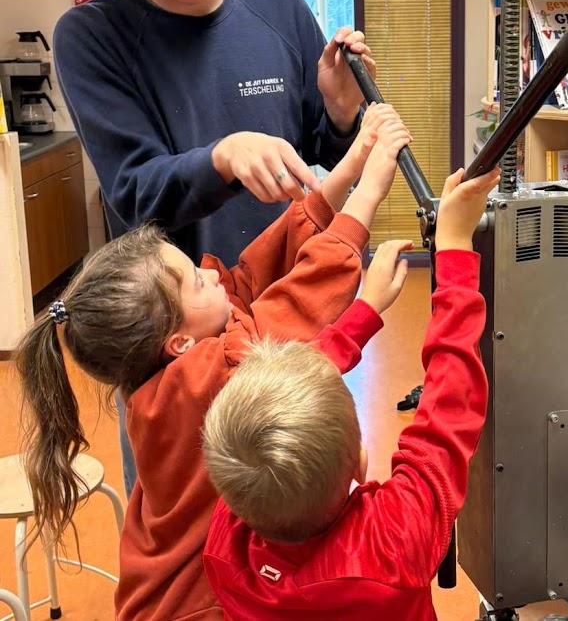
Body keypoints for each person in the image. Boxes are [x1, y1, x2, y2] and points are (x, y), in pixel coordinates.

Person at [53, 0, 376, 493]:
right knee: (191, 544)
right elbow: (135, 189)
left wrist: (341, 110)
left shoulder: (280, 6)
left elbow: (316, 146)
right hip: (174, 339)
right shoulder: (93, 36)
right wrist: (222, 154)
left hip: (282, 311)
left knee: (301, 517)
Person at [16, 107, 411, 621]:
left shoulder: (167, 369)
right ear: (178, 342)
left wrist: (354, 161)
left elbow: (258, 271)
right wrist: (372, 197)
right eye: (196, 282)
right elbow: (293, 314)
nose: (212, 275)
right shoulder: (207, 379)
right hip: (190, 606)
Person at [201, 165, 500, 621]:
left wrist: (365, 311)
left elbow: (442, 406)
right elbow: (448, 408)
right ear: (360, 463)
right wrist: (455, 250)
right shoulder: (393, 540)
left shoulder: (227, 546)